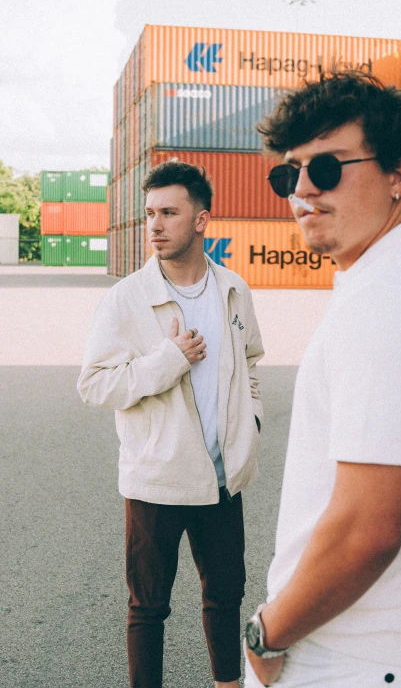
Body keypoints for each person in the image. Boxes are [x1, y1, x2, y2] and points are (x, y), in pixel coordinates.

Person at [243, 71, 401, 688]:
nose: (302, 189)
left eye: (326, 168)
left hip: (353, 651)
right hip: (399, 645)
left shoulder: (390, 298)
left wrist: (268, 632)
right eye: (288, 173)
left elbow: (369, 527)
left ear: (398, 175)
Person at [77, 161, 264, 688]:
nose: (155, 225)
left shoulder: (233, 290)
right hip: (155, 479)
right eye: (149, 214)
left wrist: (251, 424)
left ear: (202, 219)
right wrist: (169, 360)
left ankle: (228, 683)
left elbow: (251, 364)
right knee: (148, 607)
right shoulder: (125, 299)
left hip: (222, 478)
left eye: (169, 213)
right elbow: (94, 385)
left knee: (226, 596)